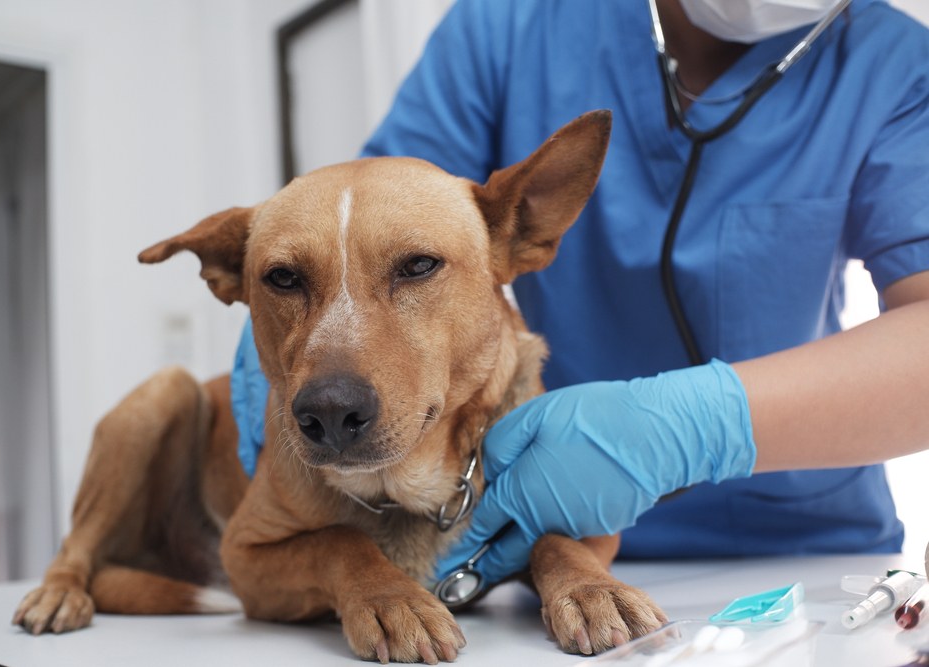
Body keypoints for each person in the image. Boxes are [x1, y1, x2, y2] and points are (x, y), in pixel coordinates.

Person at [232, 0, 929, 587]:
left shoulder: (895, 67)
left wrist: (691, 426)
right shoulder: (510, 24)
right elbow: (383, 210)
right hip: (538, 527)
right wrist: (299, 298)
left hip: (812, 549)